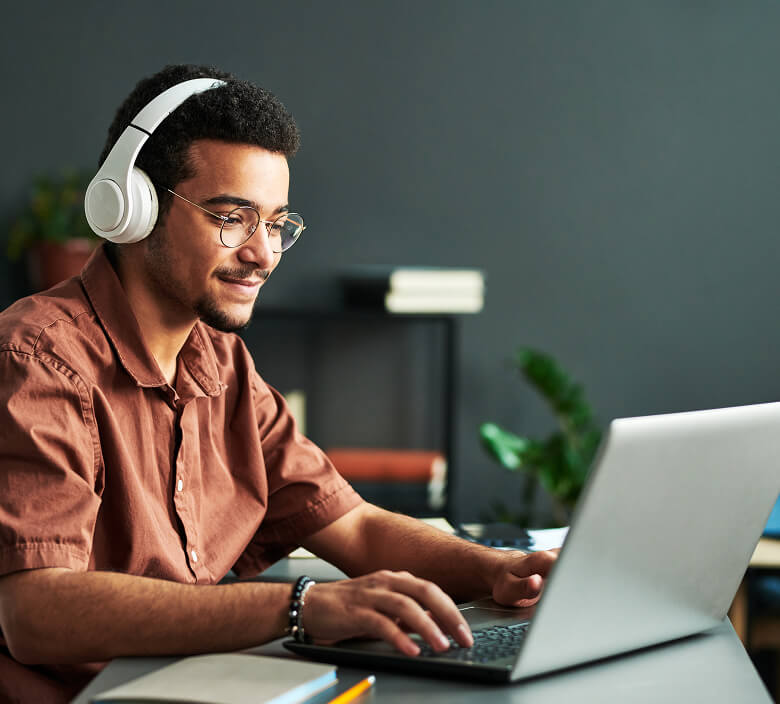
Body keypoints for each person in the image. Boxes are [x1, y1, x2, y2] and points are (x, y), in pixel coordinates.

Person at [0, 64, 557, 702]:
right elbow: (36, 611)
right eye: (232, 218)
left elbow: (353, 527)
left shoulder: (223, 363)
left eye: (275, 223)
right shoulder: (37, 358)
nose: (263, 253)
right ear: (132, 207)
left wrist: (504, 570)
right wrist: (300, 606)